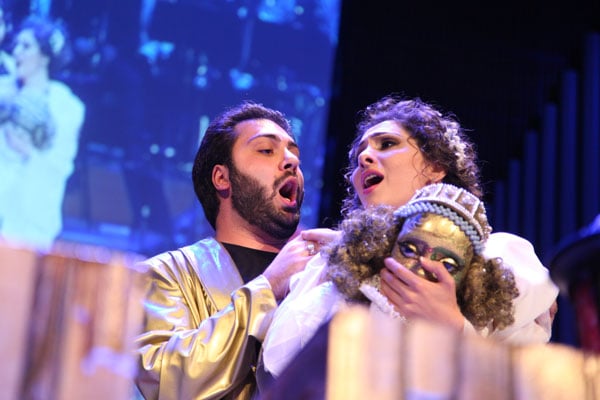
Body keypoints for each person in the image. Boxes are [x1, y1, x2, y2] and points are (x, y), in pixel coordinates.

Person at [259, 95, 559, 389]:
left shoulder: (497, 254)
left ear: (435, 167)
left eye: (387, 144)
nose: (364, 158)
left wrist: (453, 327)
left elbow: (521, 377)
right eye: (359, 154)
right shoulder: (322, 270)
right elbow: (275, 370)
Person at [135, 101, 315, 400]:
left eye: (294, 153)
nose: (291, 161)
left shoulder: (321, 274)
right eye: (266, 150)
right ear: (222, 178)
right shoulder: (165, 274)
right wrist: (267, 288)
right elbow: (169, 383)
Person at [260, 182, 520, 379]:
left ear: (470, 279)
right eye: (409, 249)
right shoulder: (334, 303)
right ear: (388, 243)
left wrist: (453, 330)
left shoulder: (474, 340)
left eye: (447, 263)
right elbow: (280, 371)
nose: (421, 267)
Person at [0, 15, 85, 250]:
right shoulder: (4, 91)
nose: (17, 52)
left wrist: (27, 150)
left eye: (26, 46)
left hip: (31, 218)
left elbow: (61, 165)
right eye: (16, 45)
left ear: (45, 56)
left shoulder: (66, 106)